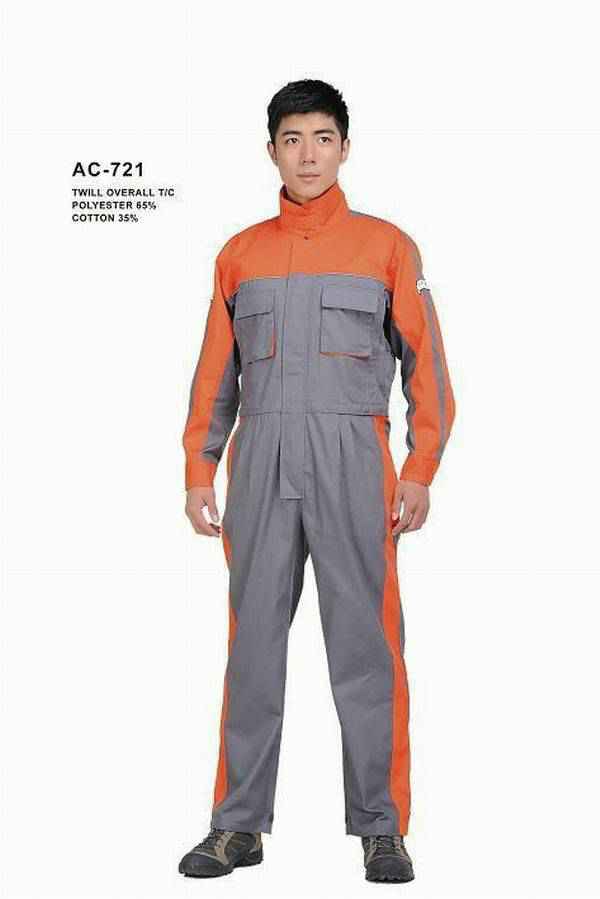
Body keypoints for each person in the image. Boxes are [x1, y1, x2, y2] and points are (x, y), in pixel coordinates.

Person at [178, 78, 456, 884]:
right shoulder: (240, 254)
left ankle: (381, 826)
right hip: (260, 463)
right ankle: (237, 825)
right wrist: (199, 467)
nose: (308, 155)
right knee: (252, 648)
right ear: (271, 150)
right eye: (293, 139)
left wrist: (420, 467)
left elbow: (428, 371)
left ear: (345, 147)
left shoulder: (388, 247)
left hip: (354, 464)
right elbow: (215, 375)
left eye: (323, 138)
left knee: (367, 647)